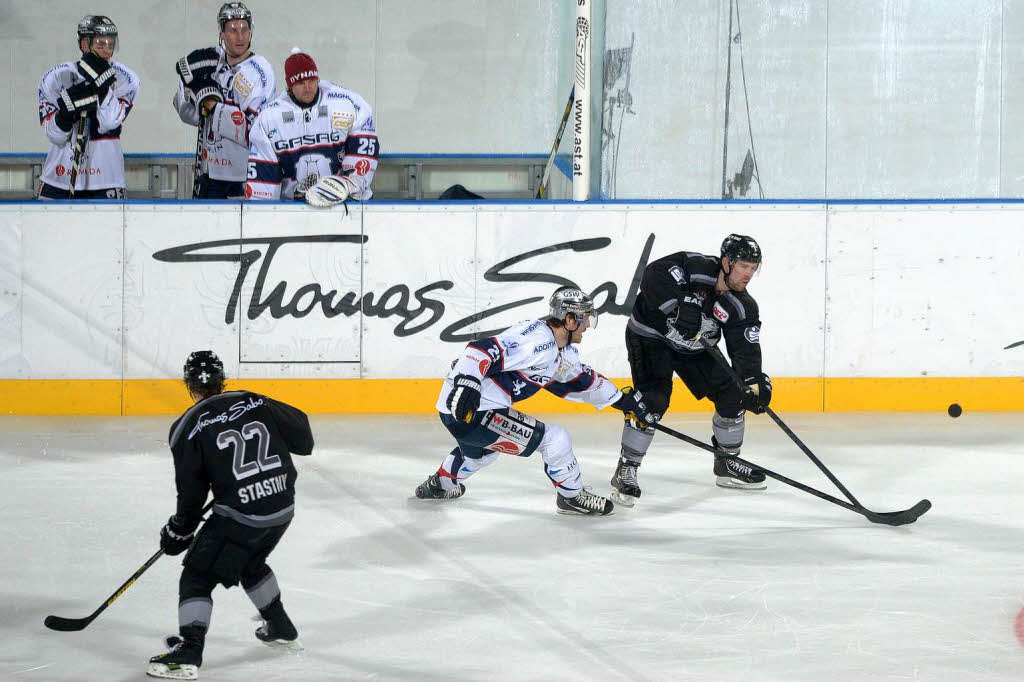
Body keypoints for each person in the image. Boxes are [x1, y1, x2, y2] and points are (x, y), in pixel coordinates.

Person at [415, 286, 660, 515]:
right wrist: (468, 382)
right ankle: (571, 496)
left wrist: (621, 400)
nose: (588, 325)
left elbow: (579, 379)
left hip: (455, 408)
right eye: (585, 318)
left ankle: (441, 485)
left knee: (482, 454)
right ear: (570, 320)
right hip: (474, 410)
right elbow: (480, 350)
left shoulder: (558, 348)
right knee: (555, 439)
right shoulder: (537, 342)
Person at [146, 351, 314, 680]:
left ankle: (189, 651)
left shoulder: (185, 427)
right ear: (223, 378)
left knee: (197, 574)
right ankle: (279, 625)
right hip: (281, 506)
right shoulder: (254, 400)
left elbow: (192, 494)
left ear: (188, 383)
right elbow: (303, 440)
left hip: (242, 514)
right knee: (248, 560)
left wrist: (179, 531)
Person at [611, 234, 772, 507]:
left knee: (734, 393)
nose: (748, 274)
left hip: (694, 348)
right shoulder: (696, 267)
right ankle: (627, 469)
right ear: (726, 262)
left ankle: (727, 463)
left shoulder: (741, 305)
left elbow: (744, 349)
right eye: (743, 266)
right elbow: (653, 275)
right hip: (651, 339)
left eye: (753, 268)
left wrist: (753, 381)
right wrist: (679, 303)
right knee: (652, 401)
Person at [246, 48, 379, 205]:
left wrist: (348, 185)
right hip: (295, 207)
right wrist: (264, 211)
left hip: (346, 204)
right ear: (290, 86)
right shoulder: (269, 118)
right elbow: (263, 183)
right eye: (301, 83)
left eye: (311, 81)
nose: (308, 88)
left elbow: (365, 147)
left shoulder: (347, 103)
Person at [172, 2, 275, 199]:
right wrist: (192, 90)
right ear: (221, 33)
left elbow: (253, 131)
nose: (240, 36)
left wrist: (212, 106)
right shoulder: (213, 62)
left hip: (244, 175)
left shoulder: (260, 72)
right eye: (233, 30)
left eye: (245, 29)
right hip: (209, 171)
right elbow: (188, 113)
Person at [36, 15, 140, 199]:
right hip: (59, 179)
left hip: (107, 180)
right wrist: (65, 115)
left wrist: (102, 89)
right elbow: (55, 135)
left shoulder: (126, 78)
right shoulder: (56, 77)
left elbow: (109, 123)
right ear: (84, 44)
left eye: (111, 44)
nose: (107, 50)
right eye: (100, 44)